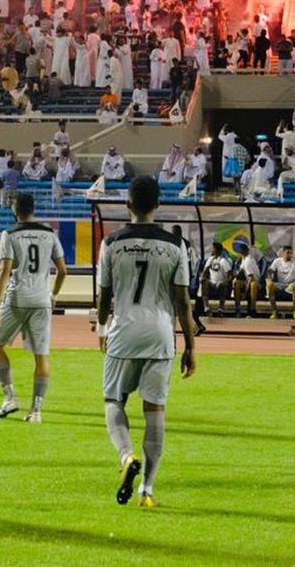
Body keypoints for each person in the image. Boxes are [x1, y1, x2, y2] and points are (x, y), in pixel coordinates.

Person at [96, 175, 196, 509]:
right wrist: (191, 347)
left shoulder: (110, 243)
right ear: (158, 205)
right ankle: (148, 490)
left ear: (127, 204)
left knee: (113, 400)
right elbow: (183, 302)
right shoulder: (174, 245)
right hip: (160, 334)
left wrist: (101, 328)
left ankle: (126, 457)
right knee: (155, 412)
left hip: (124, 331)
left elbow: (104, 295)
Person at [0, 192, 67, 422]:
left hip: (17, 298)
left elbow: (5, 271)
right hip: (42, 300)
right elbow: (63, 270)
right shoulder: (48, 233)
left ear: (15, 210)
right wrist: (53, 295)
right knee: (41, 356)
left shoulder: (9, 234)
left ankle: (10, 397)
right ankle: (36, 411)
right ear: (33, 209)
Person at [266, 246, 295, 320]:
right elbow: (270, 271)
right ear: (283, 253)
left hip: (290, 284)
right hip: (279, 284)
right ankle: (274, 311)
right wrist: (270, 279)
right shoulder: (277, 261)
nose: (289, 255)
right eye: (288, 253)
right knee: (270, 285)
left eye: (291, 253)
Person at [198, 242, 233, 316]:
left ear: (218, 250)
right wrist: (202, 277)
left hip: (220, 282)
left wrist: (226, 281)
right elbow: (205, 270)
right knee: (205, 282)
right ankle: (206, 308)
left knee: (222, 285)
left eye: (213, 249)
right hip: (211, 282)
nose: (212, 250)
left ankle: (221, 309)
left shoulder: (224, 261)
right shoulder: (210, 259)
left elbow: (230, 275)